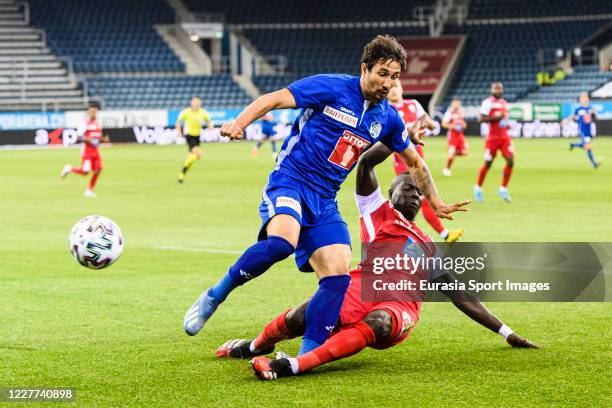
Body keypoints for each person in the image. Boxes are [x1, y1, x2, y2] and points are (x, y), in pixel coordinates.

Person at [183, 35, 469, 357]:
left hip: (325, 200)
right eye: (383, 73)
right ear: (365, 69)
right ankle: (215, 295)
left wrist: (436, 201)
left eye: (395, 77)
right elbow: (276, 98)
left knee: (337, 276)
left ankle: (306, 356)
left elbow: (415, 162)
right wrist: (240, 122)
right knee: (281, 243)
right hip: (290, 181)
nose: (388, 83)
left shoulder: (387, 118)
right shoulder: (332, 88)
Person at [215, 143, 539, 380]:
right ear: (391, 193)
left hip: (401, 309)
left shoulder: (428, 246)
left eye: (418, 191)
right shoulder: (376, 211)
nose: (414, 194)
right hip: (360, 287)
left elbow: (461, 297)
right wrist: (399, 138)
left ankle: (297, 365)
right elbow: (366, 165)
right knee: (304, 314)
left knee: (379, 322)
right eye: (406, 187)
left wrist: (506, 332)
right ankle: (256, 346)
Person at [387, 81, 463, 243]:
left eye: (396, 86)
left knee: (417, 201)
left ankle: (438, 235)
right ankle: (444, 235)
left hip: (418, 160)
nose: (393, 90)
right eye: (390, 87)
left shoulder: (413, 105)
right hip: (403, 163)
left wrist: (423, 123)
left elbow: (430, 123)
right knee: (415, 200)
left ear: (402, 88)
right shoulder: (386, 110)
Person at [474, 82, 514, 203]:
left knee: (510, 161)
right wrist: (497, 117)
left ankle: (503, 188)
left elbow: (504, 119)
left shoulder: (504, 103)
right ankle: (478, 187)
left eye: (500, 88)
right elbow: (481, 118)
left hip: (504, 137)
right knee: (488, 164)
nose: (498, 90)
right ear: (491, 90)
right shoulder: (488, 102)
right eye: (496, 88)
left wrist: (507, 125)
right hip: (492, 138)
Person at [60, 102, 109, 197]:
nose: (93, 113)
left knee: (98, 169)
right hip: (87, 151)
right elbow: (78, 137)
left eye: (95, 112)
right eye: (92, 112)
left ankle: (89, 190)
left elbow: (97, 138)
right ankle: (69, 168)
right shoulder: (84, 124)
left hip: (95, 151)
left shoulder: (98, 124)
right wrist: (86, 139)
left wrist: (103, 139)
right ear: (88, 112)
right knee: (85, 172)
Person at [176, 97, 213, 183]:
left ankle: (182, 174)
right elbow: (178, 121)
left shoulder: (203, 112)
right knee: (198, 154)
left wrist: (210, 126)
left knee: (193, 157)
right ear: (191, 103)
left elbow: (209, 120)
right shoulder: (186, 112)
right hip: (189, 136)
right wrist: (179, 131)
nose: (196, 104)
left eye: (197, 102)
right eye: (194, 102)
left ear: (200, 103)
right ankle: (182, 172)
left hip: (197, 137)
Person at [562, 92, 599, 169]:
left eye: (585, 97)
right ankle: (594, 163)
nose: (584, 99)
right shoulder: (578, 109)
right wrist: (565, 121)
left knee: (585, 145)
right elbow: (572, 117)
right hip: (582, 131)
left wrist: (594, 113)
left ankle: (573, 144)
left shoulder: (591, 108)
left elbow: (596, 118)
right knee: (588, 146)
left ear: (588, 99)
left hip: (589, 131)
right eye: (582, 98)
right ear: (580, 100)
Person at [441, 98, 468, 176]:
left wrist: (464, 125)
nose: (456, 105)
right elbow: (443, 124)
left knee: (464, 152)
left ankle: (451, 154)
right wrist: (452, 126)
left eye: (458, 103)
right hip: (452, 136)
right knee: (452, 152)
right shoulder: (449, 113)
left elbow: (462, 122)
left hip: (460, 135)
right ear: (452, 104)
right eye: (455, 103)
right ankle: (446, 169)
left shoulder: (461, 112)